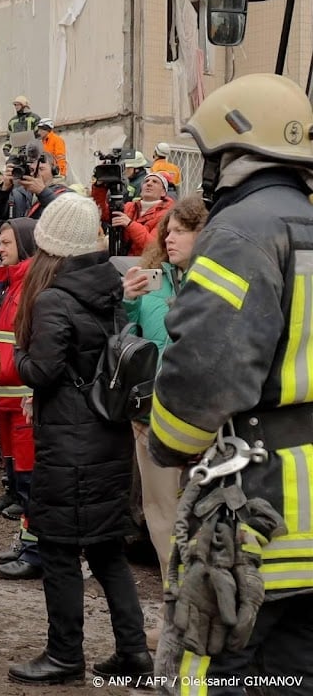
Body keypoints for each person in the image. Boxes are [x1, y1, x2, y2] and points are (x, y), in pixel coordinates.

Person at [149, 73, 313, 694]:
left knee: (212, 668)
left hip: (259, 518)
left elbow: (204, 376)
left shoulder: (241, 232)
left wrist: (167, 442)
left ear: (230, 153)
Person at [7, 193, 150, 685]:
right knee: (108, 551)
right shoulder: (111, 285)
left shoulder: (52, 298)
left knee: (59, 549)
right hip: (109, 438)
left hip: (69, 444)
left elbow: (43, 371)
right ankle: (133, 652)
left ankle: (65, 654)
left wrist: (17, 359)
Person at [120, 195, 207, 649]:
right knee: (161, 520)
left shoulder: (216, 283)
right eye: (166, 231)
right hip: (150, 415)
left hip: (204, 417)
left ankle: (205, 620)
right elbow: (129, 336)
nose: (168, 237)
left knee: (204, 523)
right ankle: (176, 620)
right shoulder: (153, 279)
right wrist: (128, 302)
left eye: (180, 230)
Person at [0, 218, 42, 580]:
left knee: (30, 481)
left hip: (23, 397)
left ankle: (36, 549)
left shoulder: (30, 284)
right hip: (7, 397)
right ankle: (27, 540)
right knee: (18, 479)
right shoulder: (5, 281)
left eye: (6, 243)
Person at [0, 151, 70, 223]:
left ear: (54, 171)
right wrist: (4, 190)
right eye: (31, 170)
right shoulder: (17, 194)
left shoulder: (65, 194)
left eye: (41, 169)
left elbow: (68, 216)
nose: (35, 173)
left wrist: (42, 192)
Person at [110, 172, 175, 256]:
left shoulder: (167, 214)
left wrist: (130, 224)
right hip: (123, 256)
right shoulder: (129, 206)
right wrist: (99, 188)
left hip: (145, 260)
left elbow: (152, 246)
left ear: (163, 192)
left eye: (155, 182)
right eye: (146, 181)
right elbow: (105, 215)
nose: (149, 183)